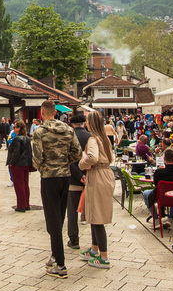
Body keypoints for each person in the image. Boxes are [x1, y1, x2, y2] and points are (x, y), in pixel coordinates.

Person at [32, 100, 82, 279]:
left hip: (49, 177)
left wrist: (45, 166)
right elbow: (77, 153)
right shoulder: (68, 130)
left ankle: (60, 265)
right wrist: (65, 163)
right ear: (55, 112)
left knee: (52, 221)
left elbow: (36, 158)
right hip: (65, 176)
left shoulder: (40, 132)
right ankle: (54, 256)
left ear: (42, 112)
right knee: (59, 217)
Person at [78, 111, 115, 269]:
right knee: (94, 214)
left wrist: (81, 164)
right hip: (106, 174)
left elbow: (92, 158)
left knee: (97, 216)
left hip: (97, 175)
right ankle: (94, 249)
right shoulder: (105, 138)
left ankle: (103, 256)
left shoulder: (93, 139)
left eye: (87, 120)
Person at [67, 113, 90, 250]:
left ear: (72, 125)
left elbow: (68, 160)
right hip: (89, 179)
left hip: (73, 179)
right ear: (84, 123)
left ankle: (74, 239)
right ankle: (95, 243)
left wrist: (78, 175)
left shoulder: (69, 137)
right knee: (92, 212)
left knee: (72, 211)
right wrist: (85, 175)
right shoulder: (91, 137)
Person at [143, 148, 173, 227]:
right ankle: (171, 218)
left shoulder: (158, 172)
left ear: (164, 159)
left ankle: (156, 219)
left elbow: (155, 185)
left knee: (145, 193)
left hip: (160, 197)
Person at [6, 120, 33, 211]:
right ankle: (26, 204)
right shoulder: (27, 138)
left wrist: (11, 163)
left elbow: (16, 153)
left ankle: (21, 205)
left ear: (19, 128)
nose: (13, 128)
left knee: (19, 185)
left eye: (15, 127)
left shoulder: (17, 139)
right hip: (26, 164)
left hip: (18, 165)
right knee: (25, 184)